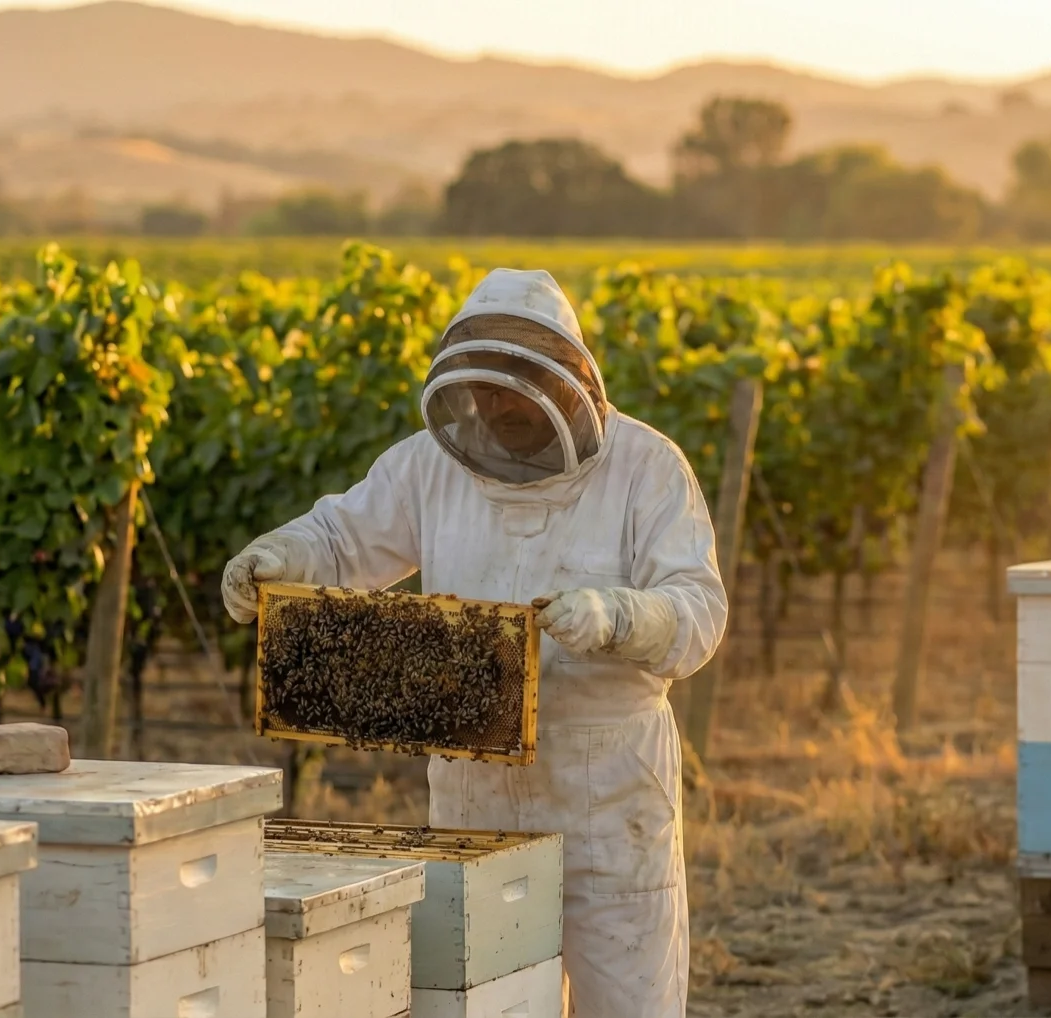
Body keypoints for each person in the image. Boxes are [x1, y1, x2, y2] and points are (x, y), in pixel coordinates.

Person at [220, 268, 723, 1018]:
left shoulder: (648, 469)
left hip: (607, 800)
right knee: (488, 1001)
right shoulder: (432, 464)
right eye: (483, 391)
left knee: (629, 1005)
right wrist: (282, 556)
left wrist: (619, 616)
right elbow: (341, 538)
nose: (495, 408)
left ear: (565, 382)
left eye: (513, 389)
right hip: (472, 788)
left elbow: (698, 612)